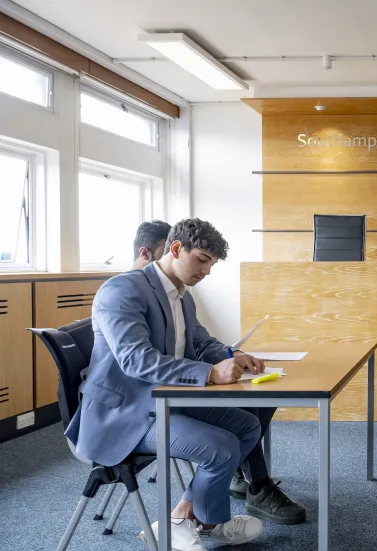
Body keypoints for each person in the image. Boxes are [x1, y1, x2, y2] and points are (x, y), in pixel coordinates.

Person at [64, 219, 300, 550]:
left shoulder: (182, 296)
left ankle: (188, 518)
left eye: (212, 264)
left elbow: (201, 344)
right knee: (221, 448)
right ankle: (194, 520)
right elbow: (136, 361)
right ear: (176, 249)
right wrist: (209, 374)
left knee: (247, 427)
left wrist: (234, 355)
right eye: (202, 259)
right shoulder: (121, 291)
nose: (207, 271)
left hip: (164, 400)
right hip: (127, 414)